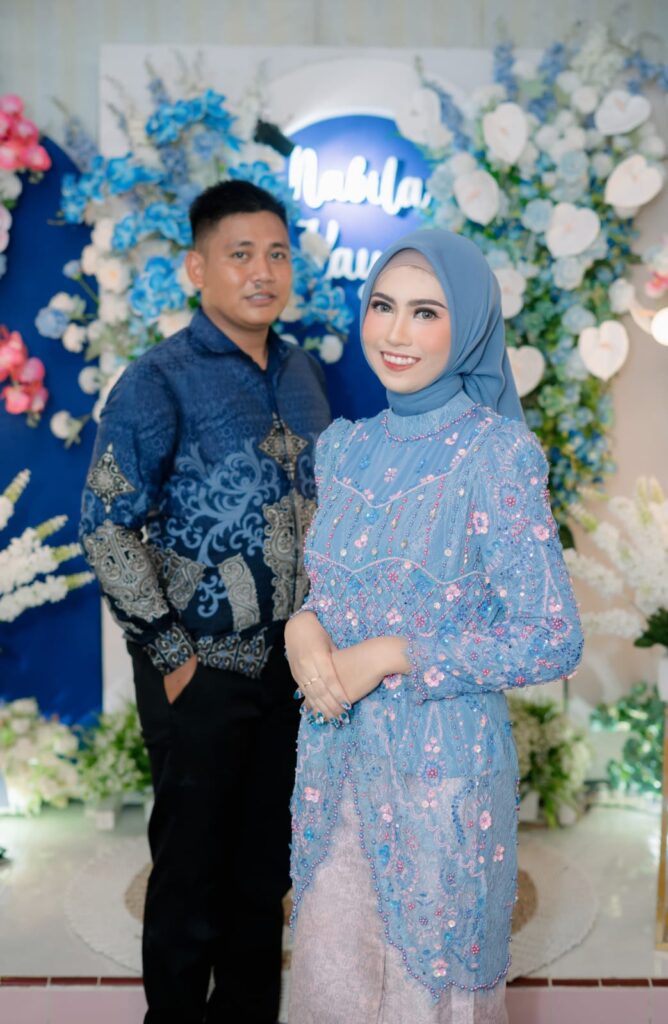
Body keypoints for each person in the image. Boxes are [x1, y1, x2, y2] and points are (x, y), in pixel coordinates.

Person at [284, 228, 583, 1024]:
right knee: (331, 989)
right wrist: (302, 628)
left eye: (426, 312)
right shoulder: (344, 450)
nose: (395, 332)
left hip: (442, 782)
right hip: (334, 770)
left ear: (470, 326)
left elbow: (551, 634)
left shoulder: (497, 454)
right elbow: (335, 591)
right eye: (383, 306)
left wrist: (394, 654)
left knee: (425, 999)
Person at [80, 180, 331, 1024]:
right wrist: (171, 655)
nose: (263, 272)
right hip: (198, 671)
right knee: (191, 883)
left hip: (291, 669)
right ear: (197, 268)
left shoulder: (302, 373)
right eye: (240, 254)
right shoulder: (159, 380)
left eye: (277, 254)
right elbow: (104, 522)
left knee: (264, 878)